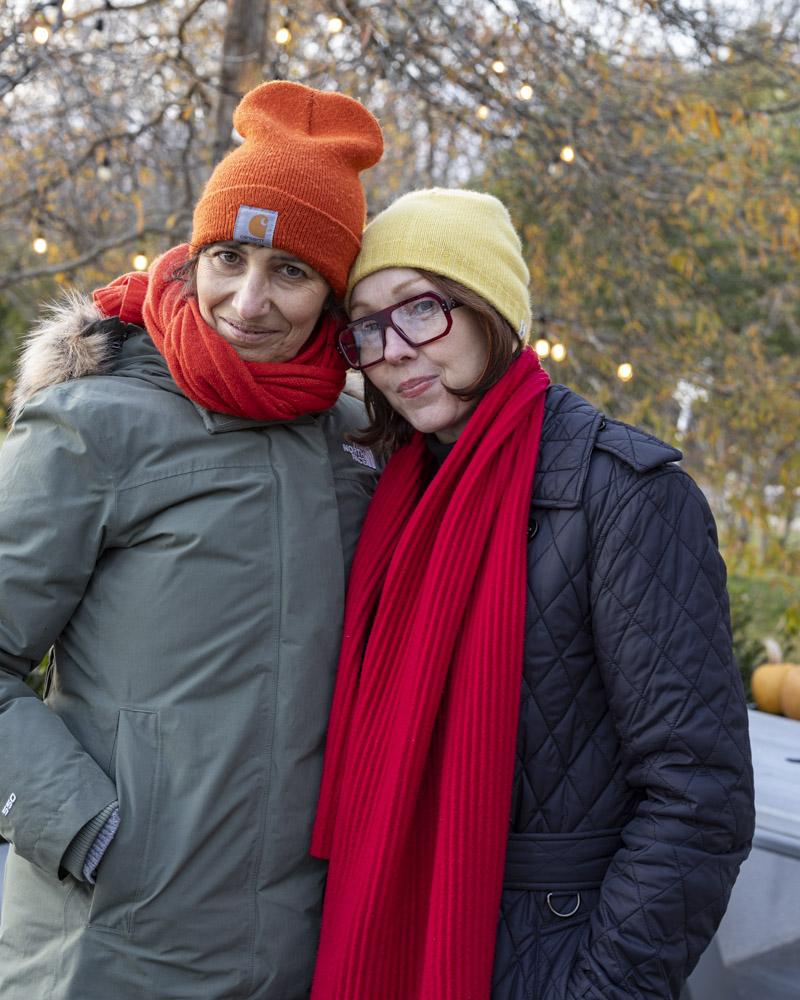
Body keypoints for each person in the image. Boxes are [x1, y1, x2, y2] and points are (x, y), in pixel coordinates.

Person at [309, 188, 755, 1000]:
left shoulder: (624, 494)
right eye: (367, 327)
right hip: (389, 930)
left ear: (491, 312)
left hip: (552, 955)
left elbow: (698, 799)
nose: (393, 350)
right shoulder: (392, 494)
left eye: (422, 309)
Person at [0, 80, 383, 999]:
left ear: (332, 294)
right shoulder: (95, 422)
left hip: (293, 954)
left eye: (290, 272)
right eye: (228, 258)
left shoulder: (356, 442)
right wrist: (84, 827)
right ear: (195, 254)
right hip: (109, 949)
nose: (248, 301)